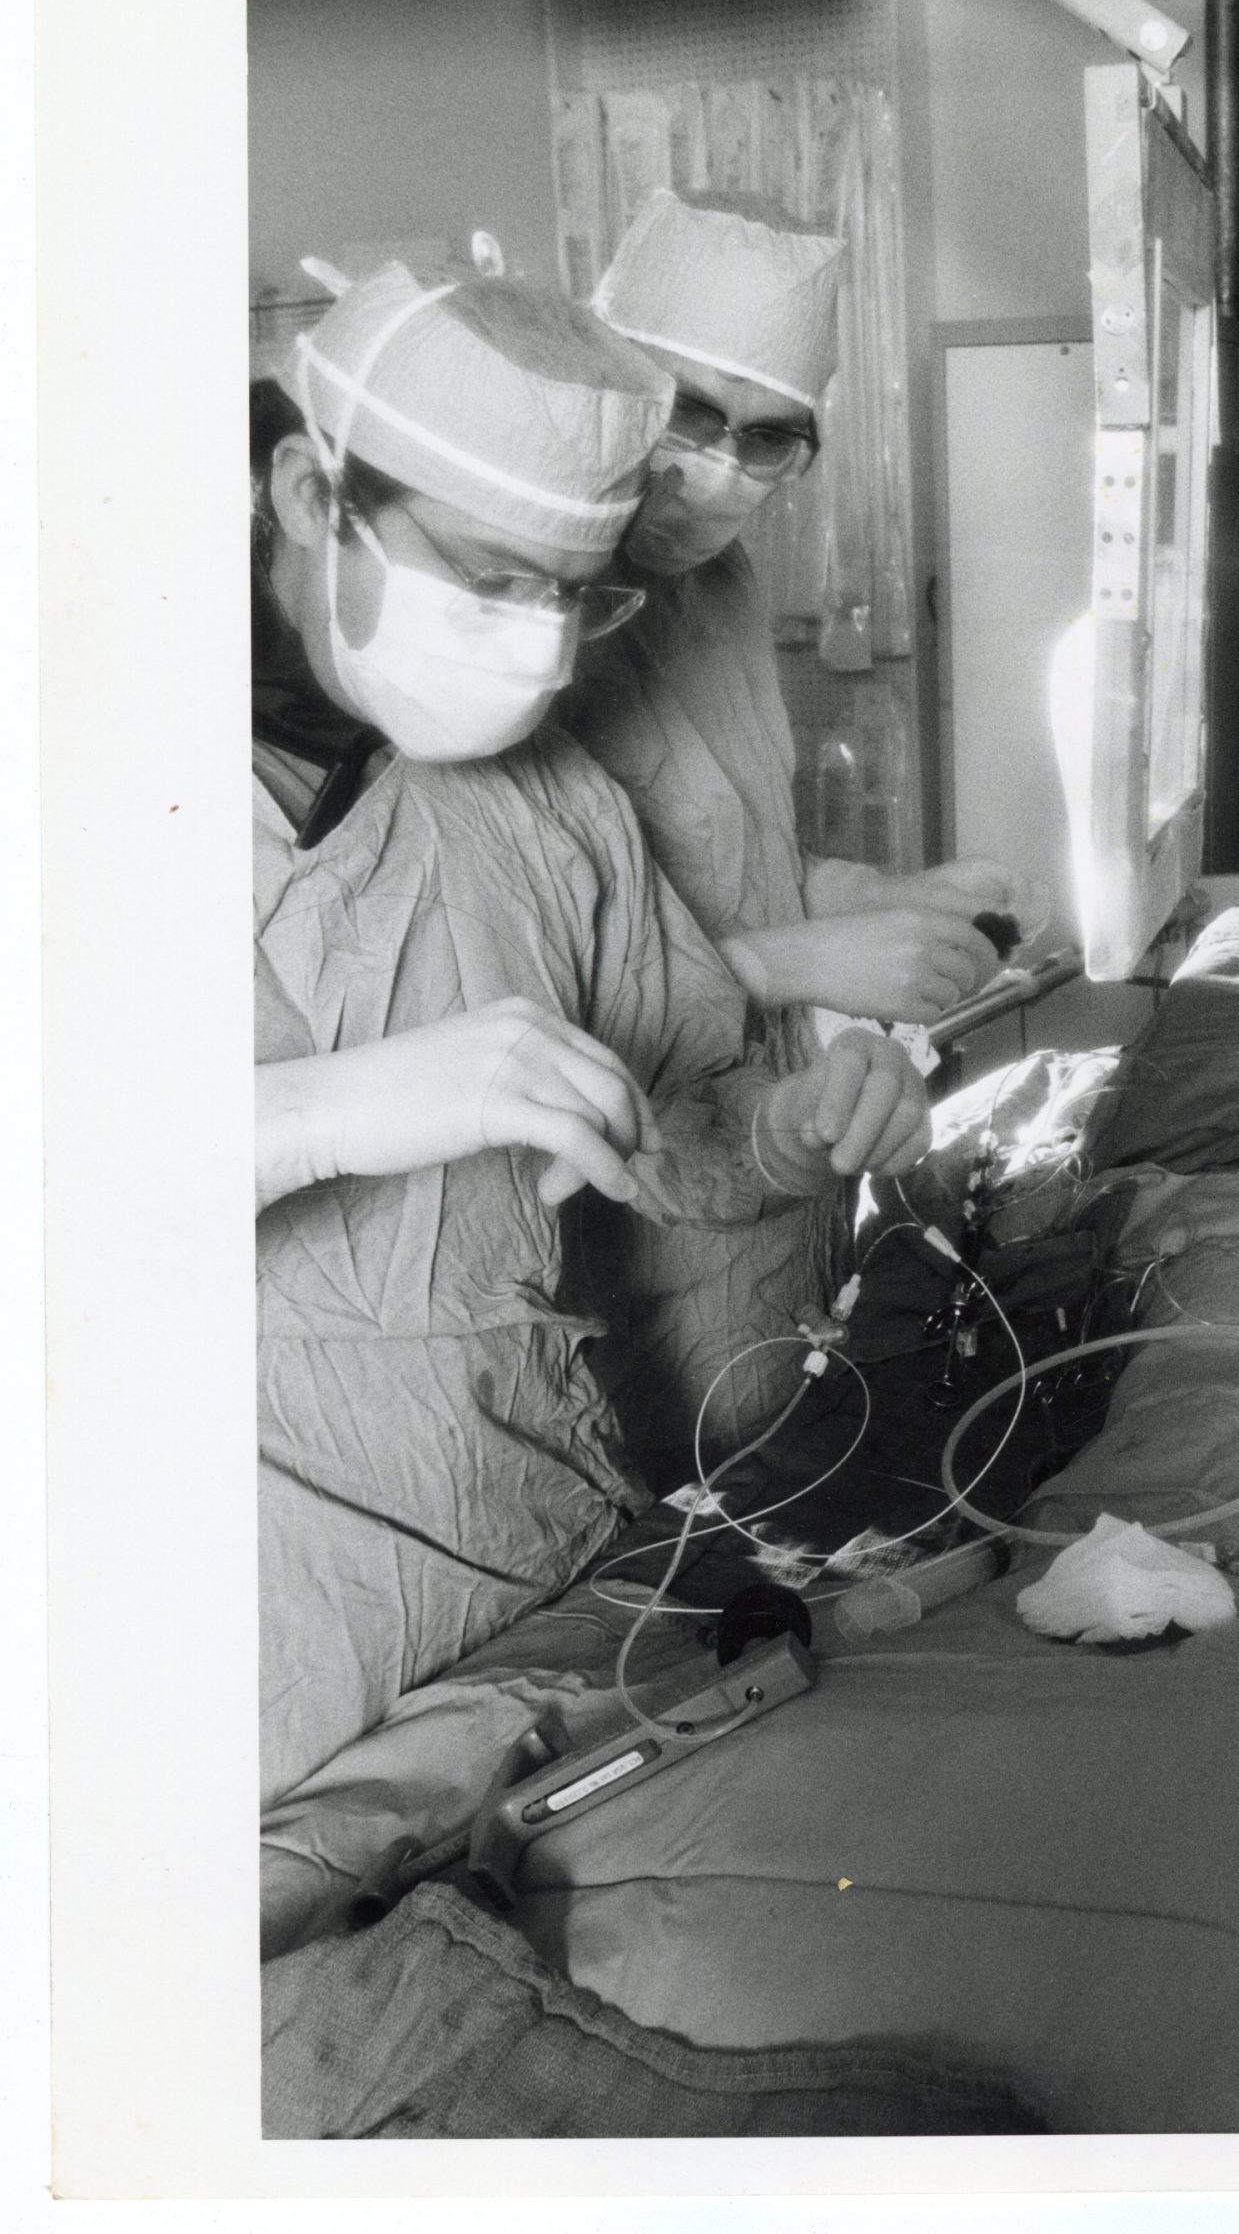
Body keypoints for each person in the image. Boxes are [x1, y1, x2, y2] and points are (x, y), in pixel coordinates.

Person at [251, 262, 930, 1805]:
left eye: (578, 596)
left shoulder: (544, 798)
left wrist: (794, 1124)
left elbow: (669, 1111)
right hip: (259, 1632)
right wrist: (307, 1115)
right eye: (495, 581)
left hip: (530, 1561)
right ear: (307, 492)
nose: (544, 653)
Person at [561, 189, 1039, 1432]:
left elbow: (724, 844)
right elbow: (521, 982)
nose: (722, 466)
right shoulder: (535, 621)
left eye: (769, 436)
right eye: (689, 409)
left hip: (768, 1194)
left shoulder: (716, 585)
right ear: (607, 376)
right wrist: (788, 961)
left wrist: (869, 895)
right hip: (620, 1229)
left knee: (792, 1461)